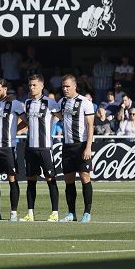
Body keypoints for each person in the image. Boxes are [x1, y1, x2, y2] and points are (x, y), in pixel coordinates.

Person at [21, 73, 61, 222]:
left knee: (51, 179)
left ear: (42, 86)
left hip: (45, 148)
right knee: (31, 180)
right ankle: (30, 213)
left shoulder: (50, 103)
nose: (31, 88)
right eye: (30, 85)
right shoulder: (28, 102)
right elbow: (26, 121)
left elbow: (61, 117)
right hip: (30, 148)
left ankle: (55, 213)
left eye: (34, 85)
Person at [57, 74, 96, 223]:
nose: (65, 89)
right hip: (67, 146)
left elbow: (90, 126)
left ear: (75, 86)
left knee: (85, 177)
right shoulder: (62, 102)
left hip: (81, 146)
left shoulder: (85, 102)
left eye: (67, 86)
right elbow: (60, 117)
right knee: (69, 180)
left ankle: (87, 212)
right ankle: (71, 213)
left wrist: (88, 148)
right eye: (63, 86)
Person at [0, 78, 24, 221]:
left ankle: (13, 213)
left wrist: (15, 131)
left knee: (12, 179)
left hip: (8, 147)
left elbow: (26, 121)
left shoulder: (15, 104)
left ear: (5, 89)